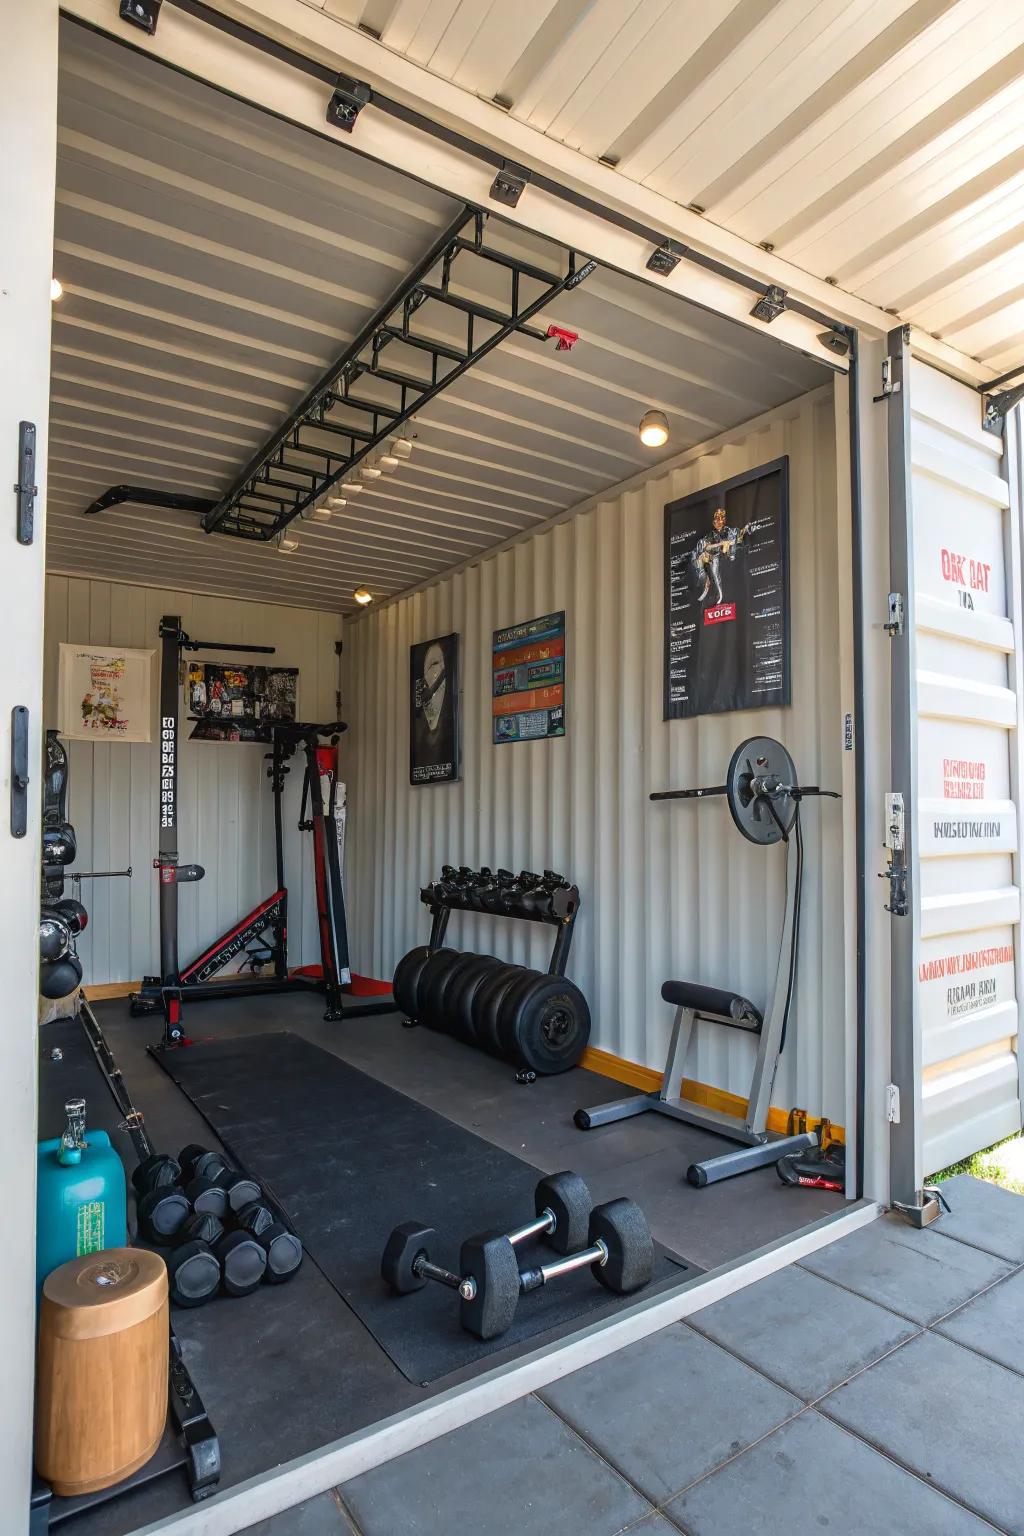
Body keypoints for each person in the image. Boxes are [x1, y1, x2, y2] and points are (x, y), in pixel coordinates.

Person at [693, 505, 750, 605]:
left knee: (716, 575)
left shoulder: (728, 531)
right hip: (710, 555)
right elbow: (707, 547)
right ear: (713, 521)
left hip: (721, 555)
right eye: (716, 519)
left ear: (724, 520)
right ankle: (706, 582)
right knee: (704, 566)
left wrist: (743, 532)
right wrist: (720, 544)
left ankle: (720, 594)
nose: (719, 521)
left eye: (721, 518)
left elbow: (736, 538)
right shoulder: (711, 534)